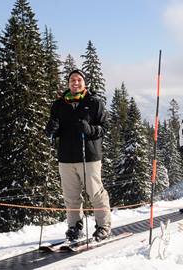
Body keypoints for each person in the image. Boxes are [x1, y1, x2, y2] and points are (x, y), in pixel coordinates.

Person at [45, 69, 111, 242]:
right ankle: (74, 227)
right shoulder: (59, 104)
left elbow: (104, 128)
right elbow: (54, 129)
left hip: (89, 156)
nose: (75, 82)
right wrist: (51, 130)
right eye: (72, 80)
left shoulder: (94, 102)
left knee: (95, 193)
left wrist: (90, 130)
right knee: (71, 196)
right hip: (66, 157)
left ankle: (103, 226)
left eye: (79, 80)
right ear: (68, 83)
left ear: (84, 82)